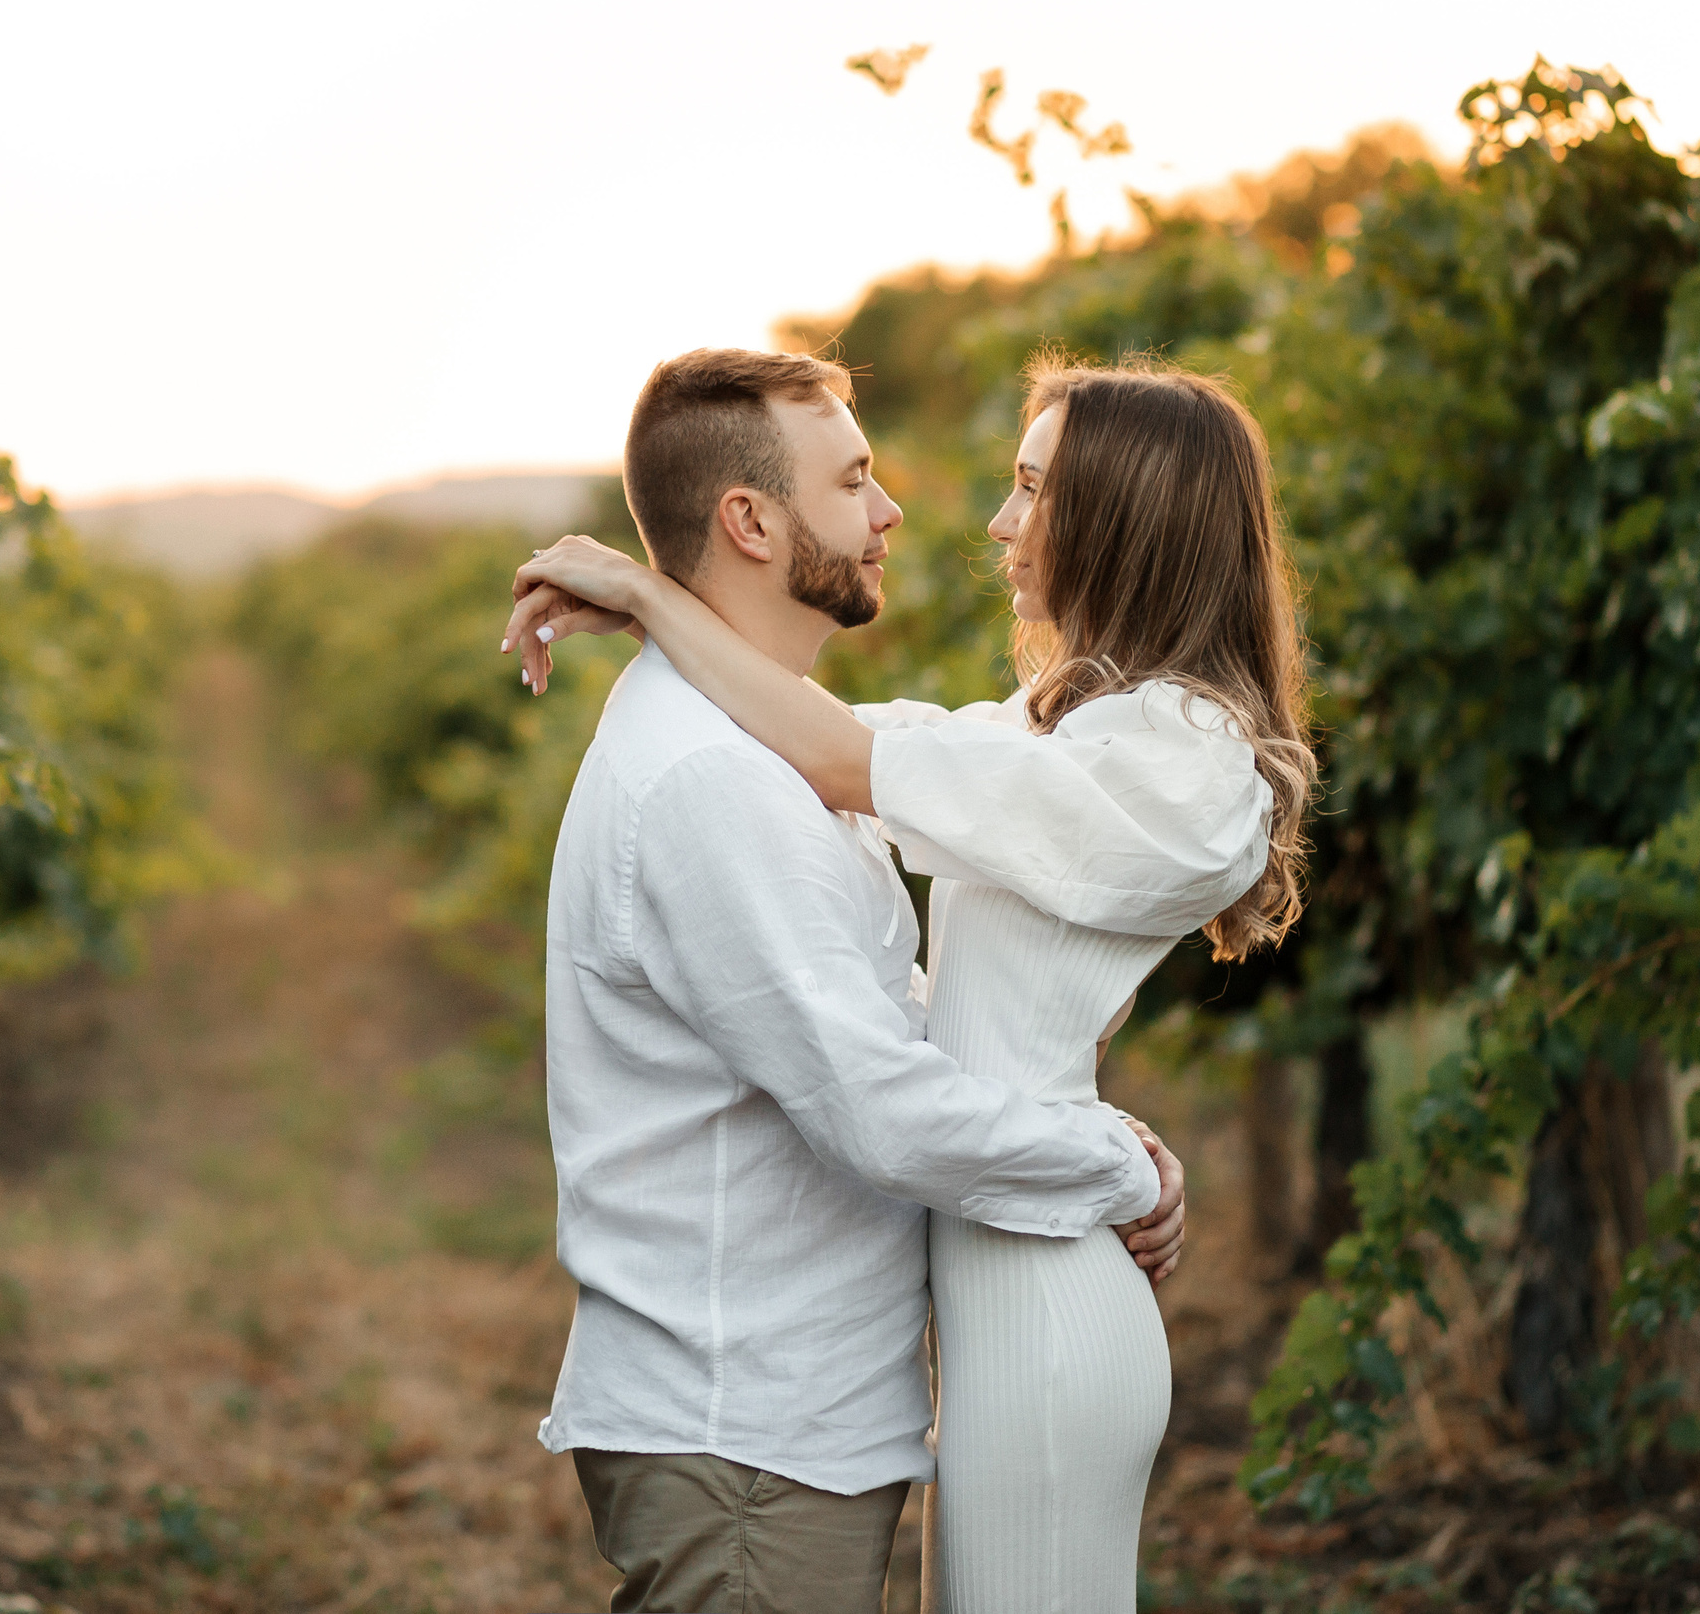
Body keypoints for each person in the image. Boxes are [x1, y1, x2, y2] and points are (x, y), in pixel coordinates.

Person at [508, 354, 1313, 1614]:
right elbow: (861, 777)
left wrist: (660, 603)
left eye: (1030, 490)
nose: (936, 516)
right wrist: (1114, 1158)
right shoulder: (775, 767)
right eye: (856, 477)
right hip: (814, 1380)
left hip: (1020, 1301)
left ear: (1119, 519)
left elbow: (854, 764)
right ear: (752, 520)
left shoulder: (1157, 763)